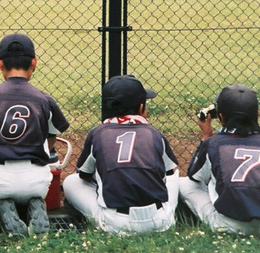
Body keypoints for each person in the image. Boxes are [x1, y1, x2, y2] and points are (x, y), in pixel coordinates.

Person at [0, 33, 69, 236]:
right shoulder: (45, 100)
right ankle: (32, 204)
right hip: (36, 182)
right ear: (34, 62)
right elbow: (51, 139)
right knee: (34, 177)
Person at [62, 75, 179, 234]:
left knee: (71, 181)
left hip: (116, 224)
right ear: (141, 108)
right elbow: (169, 172)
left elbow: (84, 175)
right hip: (158, 221)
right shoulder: (154, 134)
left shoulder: (98, 134)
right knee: (174, 175)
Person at [179, 84, 260, 236]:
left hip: (228, 225)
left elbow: (194, 176)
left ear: (221, 117)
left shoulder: (213, 143)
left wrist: (206, 136)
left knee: (186, 183)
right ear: (257, 114)